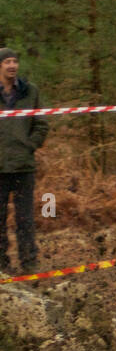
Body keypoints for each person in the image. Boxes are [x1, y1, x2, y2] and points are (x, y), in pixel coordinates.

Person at [0, 48, 50, 273]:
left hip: (23, 167)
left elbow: (41, 123)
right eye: (7, 62)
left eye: (15, 61)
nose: (12, 65)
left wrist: (30, 145)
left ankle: (29, 263)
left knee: (25, 220)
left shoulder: (30, 92)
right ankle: (2, 265)